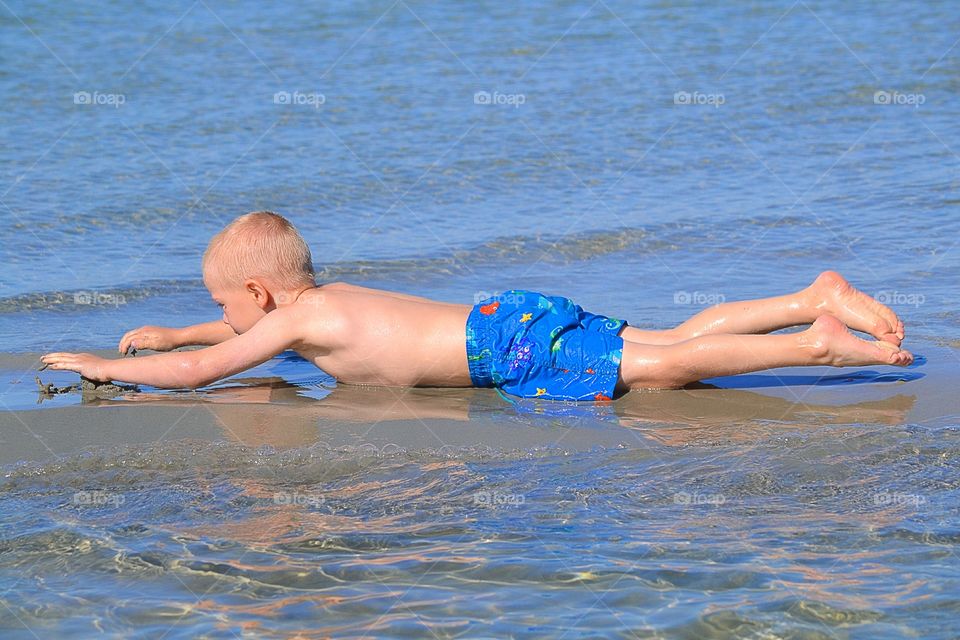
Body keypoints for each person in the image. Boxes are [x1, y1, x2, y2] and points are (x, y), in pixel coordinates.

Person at [40, 212, 913, 402]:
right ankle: (808, 296)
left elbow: (201, 371)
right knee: (664, 337)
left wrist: (109, 365)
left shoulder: (295, 325)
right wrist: (175, 328)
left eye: (224, 304)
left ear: (262, 295)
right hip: (506, 317)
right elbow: (220, 338)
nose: (227, 319)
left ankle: (821, 343)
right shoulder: (318, 305)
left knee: (662, 368)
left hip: (507, 350)